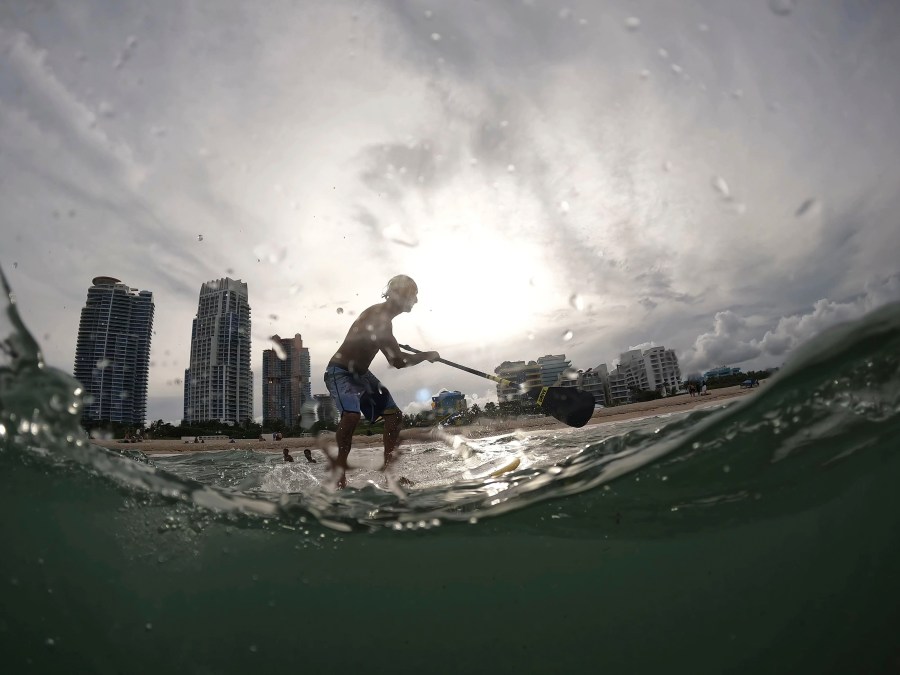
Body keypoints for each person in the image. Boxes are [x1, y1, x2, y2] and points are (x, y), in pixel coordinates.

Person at [324, 275, 439, 489]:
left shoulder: (385, 320)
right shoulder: (379, 317)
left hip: (361, 374)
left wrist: (417, 353)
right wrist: (425, 355)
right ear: (401, 295)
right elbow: (396, 361)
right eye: (413, 295)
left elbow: (394, 354)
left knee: (393, 416)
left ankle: (389, 474)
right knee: (351, 416)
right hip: (339, 372)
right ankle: (339, 477)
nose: (416, 300)